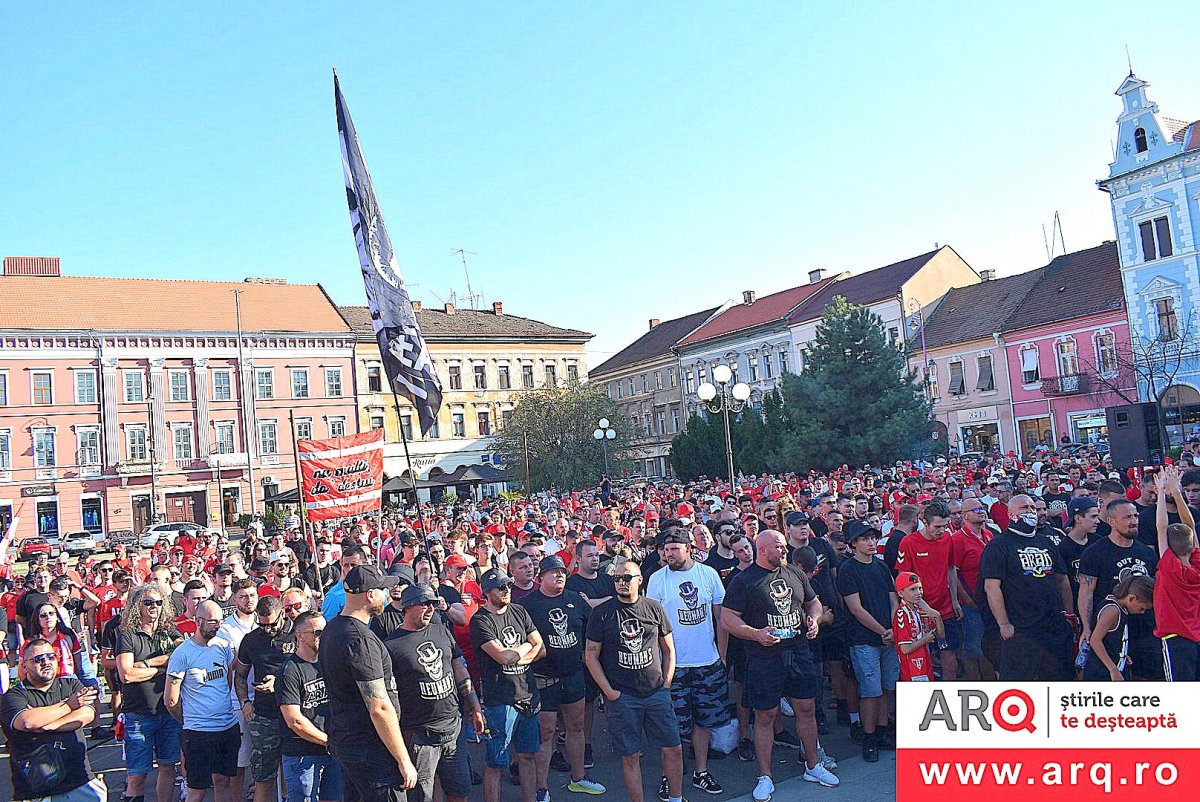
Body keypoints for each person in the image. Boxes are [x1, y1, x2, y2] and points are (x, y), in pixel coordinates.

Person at [722, 530, 837, 802]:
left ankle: (813, 765)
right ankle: (765, 777)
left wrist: (814, 620)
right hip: (764, 658)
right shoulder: (743, 581)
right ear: (762, 550)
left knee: (806, 709)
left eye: (784, 546)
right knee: (765, 715)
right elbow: (728, 618)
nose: (784, 551)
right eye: (779, 547)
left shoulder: (795, 573)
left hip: (797, 652)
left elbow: (814, 602)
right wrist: (755, 633)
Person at [583, 560, 681, 802]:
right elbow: (590, 656)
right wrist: (609, 692)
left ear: (640, 580)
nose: (621, 583)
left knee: (673, 748)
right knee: (630, 755)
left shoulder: (654, 608)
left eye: (627, 578)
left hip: (656, 691)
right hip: (623, 697)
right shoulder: (602, 613)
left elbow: (668, 649)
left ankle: (676, 798)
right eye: (617, 578)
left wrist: (667, 684)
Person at [319, 564, 417, 802]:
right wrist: (403, 758)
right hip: (370, 750)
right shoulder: (360, 640)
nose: (387, 594)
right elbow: (379, 707)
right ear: (370, 594)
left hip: (348, 744)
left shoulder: (332, 628)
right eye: (383, 589)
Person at [646, 528, 728, 796]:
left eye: (674, 549)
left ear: (688, 548)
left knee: (703, 721)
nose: (668, 554)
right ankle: (669, 777)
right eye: (665, 550)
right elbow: (653, 627)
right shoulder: (657, 579)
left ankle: (700, 772)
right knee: (672, 725)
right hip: (674, 666)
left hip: (707, 661)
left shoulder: (709, 574)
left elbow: (721, 618)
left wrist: (722, 655)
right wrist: (658, 665)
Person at [383, 585, 483, 802]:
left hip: (453, 728)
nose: (431, 609)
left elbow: (459, 669)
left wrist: (475, 706)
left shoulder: (441, 631)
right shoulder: (391, 645)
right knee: (421, 796)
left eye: (434, 604)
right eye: (425, 604)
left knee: (460, 792)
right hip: (419, 735)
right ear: (407, 608)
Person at [522, 556, 605, 795]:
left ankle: (578, 777)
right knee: (546, 732)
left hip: (573, 674)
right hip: (543, 677)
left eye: (561, 571)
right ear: (541, 577)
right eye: (552, 572)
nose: (558, 575)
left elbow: (592, 631)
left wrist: (587, 656)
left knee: (576, 726)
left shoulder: (574, 600)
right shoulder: (529, 604)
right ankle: (541, 787)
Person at [979, 495, 1075, 681]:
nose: (1031, 512)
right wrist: (1004, 624)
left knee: (1058, 680)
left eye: (1033, 508)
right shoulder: (999, 545)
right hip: (1020, 628)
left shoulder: (1046, 542)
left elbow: (1062, 580)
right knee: (1019, 685)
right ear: (1011, 514)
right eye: (1024, 508)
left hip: (1052, 627)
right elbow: (991, 587)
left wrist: (1069, 615)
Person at [469, 567, 545, 802]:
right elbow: (502, 657)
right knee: (496, 762)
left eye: (509, 586)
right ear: (488, 591)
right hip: (499, 701)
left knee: (528, 756)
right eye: (501, 587)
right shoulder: (480, 620)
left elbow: (541, 648)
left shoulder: (519, 611)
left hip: (527, 695)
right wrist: (525, 646)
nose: (507, 590)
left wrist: (517, 653)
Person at [1, 637, 105, 802]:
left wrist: (47, 725)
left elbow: (87, 714)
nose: (46, 662)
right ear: (24, 666)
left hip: (81, 784)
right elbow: (27, 721)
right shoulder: (13, 696)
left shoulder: (72, 685)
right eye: (38, 659)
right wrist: (69, 706)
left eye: (50, 657)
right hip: (36, 793)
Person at [165, 600, 241, 802]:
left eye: (220, 621)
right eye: (212, 621)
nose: (218, 626)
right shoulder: (183, 654)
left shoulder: (223, 646)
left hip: (226, 727)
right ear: (198, 621)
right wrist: (189, 720)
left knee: (223, 780)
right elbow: (170, 700)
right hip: (199, 732)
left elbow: (227, 679)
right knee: (197, 789)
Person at [115, 583, 184, 802]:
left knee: (168, 768)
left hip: (168, 712)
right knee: (136, 776)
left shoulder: (169, 630)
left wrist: (144, 664)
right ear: (138, 606)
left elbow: (180, 655)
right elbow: (126, 675)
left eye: (158, 602)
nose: (154, 607)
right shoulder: (127, 634)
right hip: (138, 715)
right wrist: (161, 667)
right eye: (148, 602)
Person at [837, 521, 898, 762]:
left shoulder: (882, 567)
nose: (871, 542)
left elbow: (894, 599)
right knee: (870, 690)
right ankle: (869, 736)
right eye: (864, 539)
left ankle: (882, 731)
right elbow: (855, 608)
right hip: (863, 639)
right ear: (853, 544)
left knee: (885, 687)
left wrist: (893, 629)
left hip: (889, 637)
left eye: (872, 538)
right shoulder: (848, 569)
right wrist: (884, 630)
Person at [1078, 498, 1159, 679]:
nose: (1134, 521)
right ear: (1111, 521)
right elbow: (1086, 594)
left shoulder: (1146, 553)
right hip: (1112, 633)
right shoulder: (1094, 553)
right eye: (1128, 517)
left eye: (1136, 516)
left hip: (1145, 630)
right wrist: (1086, 627)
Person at [235, 595, 298, 802]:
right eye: (261, 624)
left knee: (295, 772)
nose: (267, 629)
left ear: (282, 614)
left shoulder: (298, 635)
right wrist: (245, 703)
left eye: (271, 624)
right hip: (264, 715)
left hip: (296, 713)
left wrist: (279, 682)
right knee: (263, 776)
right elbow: (240, 675)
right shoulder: (251, 640)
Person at [279, 611, 343, 802]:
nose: (322, 637)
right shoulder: (290, 670)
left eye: (326, 631)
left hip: (332, 751)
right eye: (317, 632)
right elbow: (294, 720)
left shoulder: (328, 662)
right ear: (300, 635)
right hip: (302, 755)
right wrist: (328, 741)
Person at [894, 501, 959, 682]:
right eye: (937, 526)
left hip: (944, 609)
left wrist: (954, 600)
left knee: (950, 661)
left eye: (945, 526)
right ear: (925, 522)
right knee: (920, 663)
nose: (941, 530)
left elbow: (951, 568)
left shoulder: (947, 539)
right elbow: (902, 578)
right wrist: (921, 606)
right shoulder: (908, 542)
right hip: (918, 613)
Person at [1153, 467, 1200, 681]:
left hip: (1176, 639)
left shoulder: (1170, 567)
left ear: (1168, 549)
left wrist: (1162, 492)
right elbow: (1190, 525)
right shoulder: (1197, 564)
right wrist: (1177, 493)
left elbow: (1161, 526)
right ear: (1192, 547)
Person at [1082, 574, 1156, 681]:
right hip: (1102, 674)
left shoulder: (1122, 609)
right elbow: (1095, 640)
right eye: (1142, 608)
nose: (1142, 612)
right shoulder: (1112, 610)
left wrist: (1122, 652)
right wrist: (1113, 669)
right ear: (1132, 598)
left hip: (1116, 665)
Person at [893, 572, 943, 683]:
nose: (918, 593)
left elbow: (940, 636)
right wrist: (925, 640)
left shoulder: (921, 609)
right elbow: (905, 649)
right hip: (911, 668)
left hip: (926, 664)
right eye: (913, 590)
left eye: (920, 588)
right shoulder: (902, 614)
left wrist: (938, 618)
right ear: (901, 593)